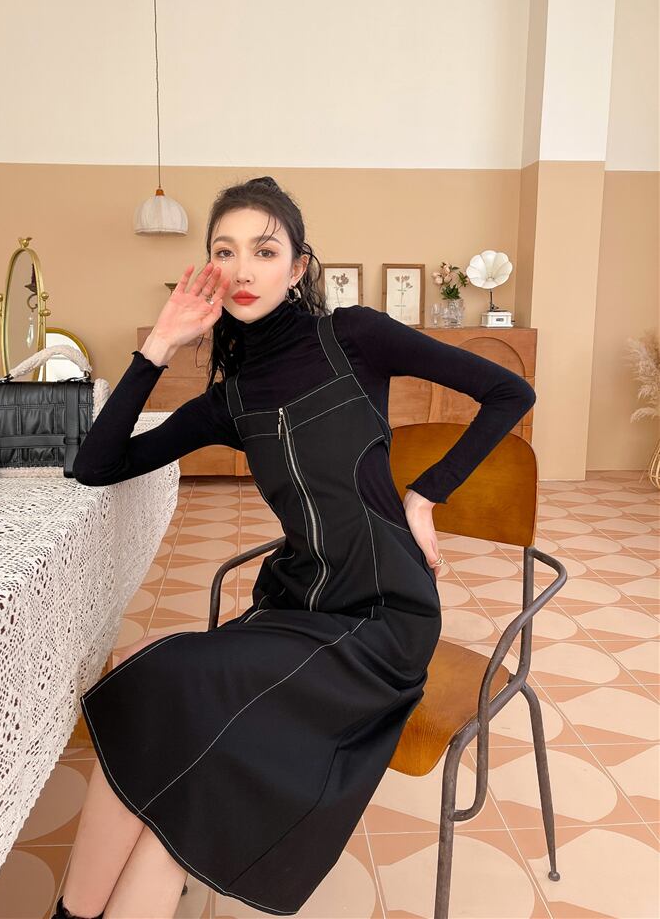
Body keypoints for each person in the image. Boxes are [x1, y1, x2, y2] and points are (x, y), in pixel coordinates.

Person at [55, 177, 536, 919]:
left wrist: (425, 494)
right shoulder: (231, 398)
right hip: (298, 606)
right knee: (163, 706)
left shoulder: (357, 337)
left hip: (384, 620)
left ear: (298, 267)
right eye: (225, 252)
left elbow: (510, 393)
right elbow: (97, 465)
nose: (243, 269)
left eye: (264, 250)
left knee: (181, 704)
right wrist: (158, 345)